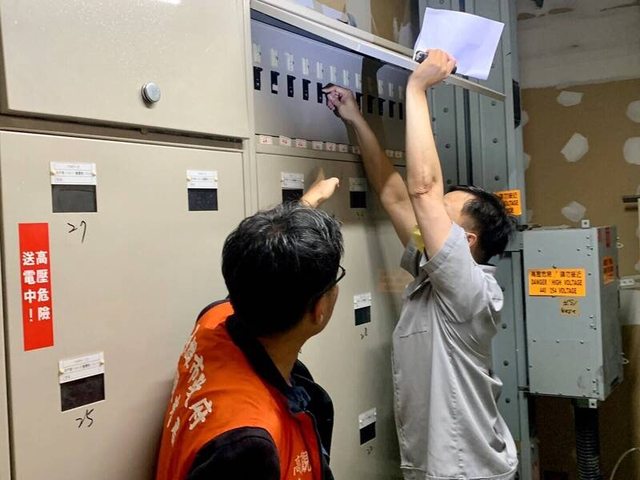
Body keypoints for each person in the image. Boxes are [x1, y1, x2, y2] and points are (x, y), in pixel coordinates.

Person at [324, 49, 518, 479]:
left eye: (441, 219)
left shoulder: (468, 290)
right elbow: (396, 196)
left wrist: (417, 87)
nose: (428, 223)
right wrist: (354, 118)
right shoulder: (436, 272)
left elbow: (423, 188)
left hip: (467, 471)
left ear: (467, 243)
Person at [155, 178, 343, 480]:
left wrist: (307, 204)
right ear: (318, 310)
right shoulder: (249, 447)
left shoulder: (213, 320)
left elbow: (264, 268)